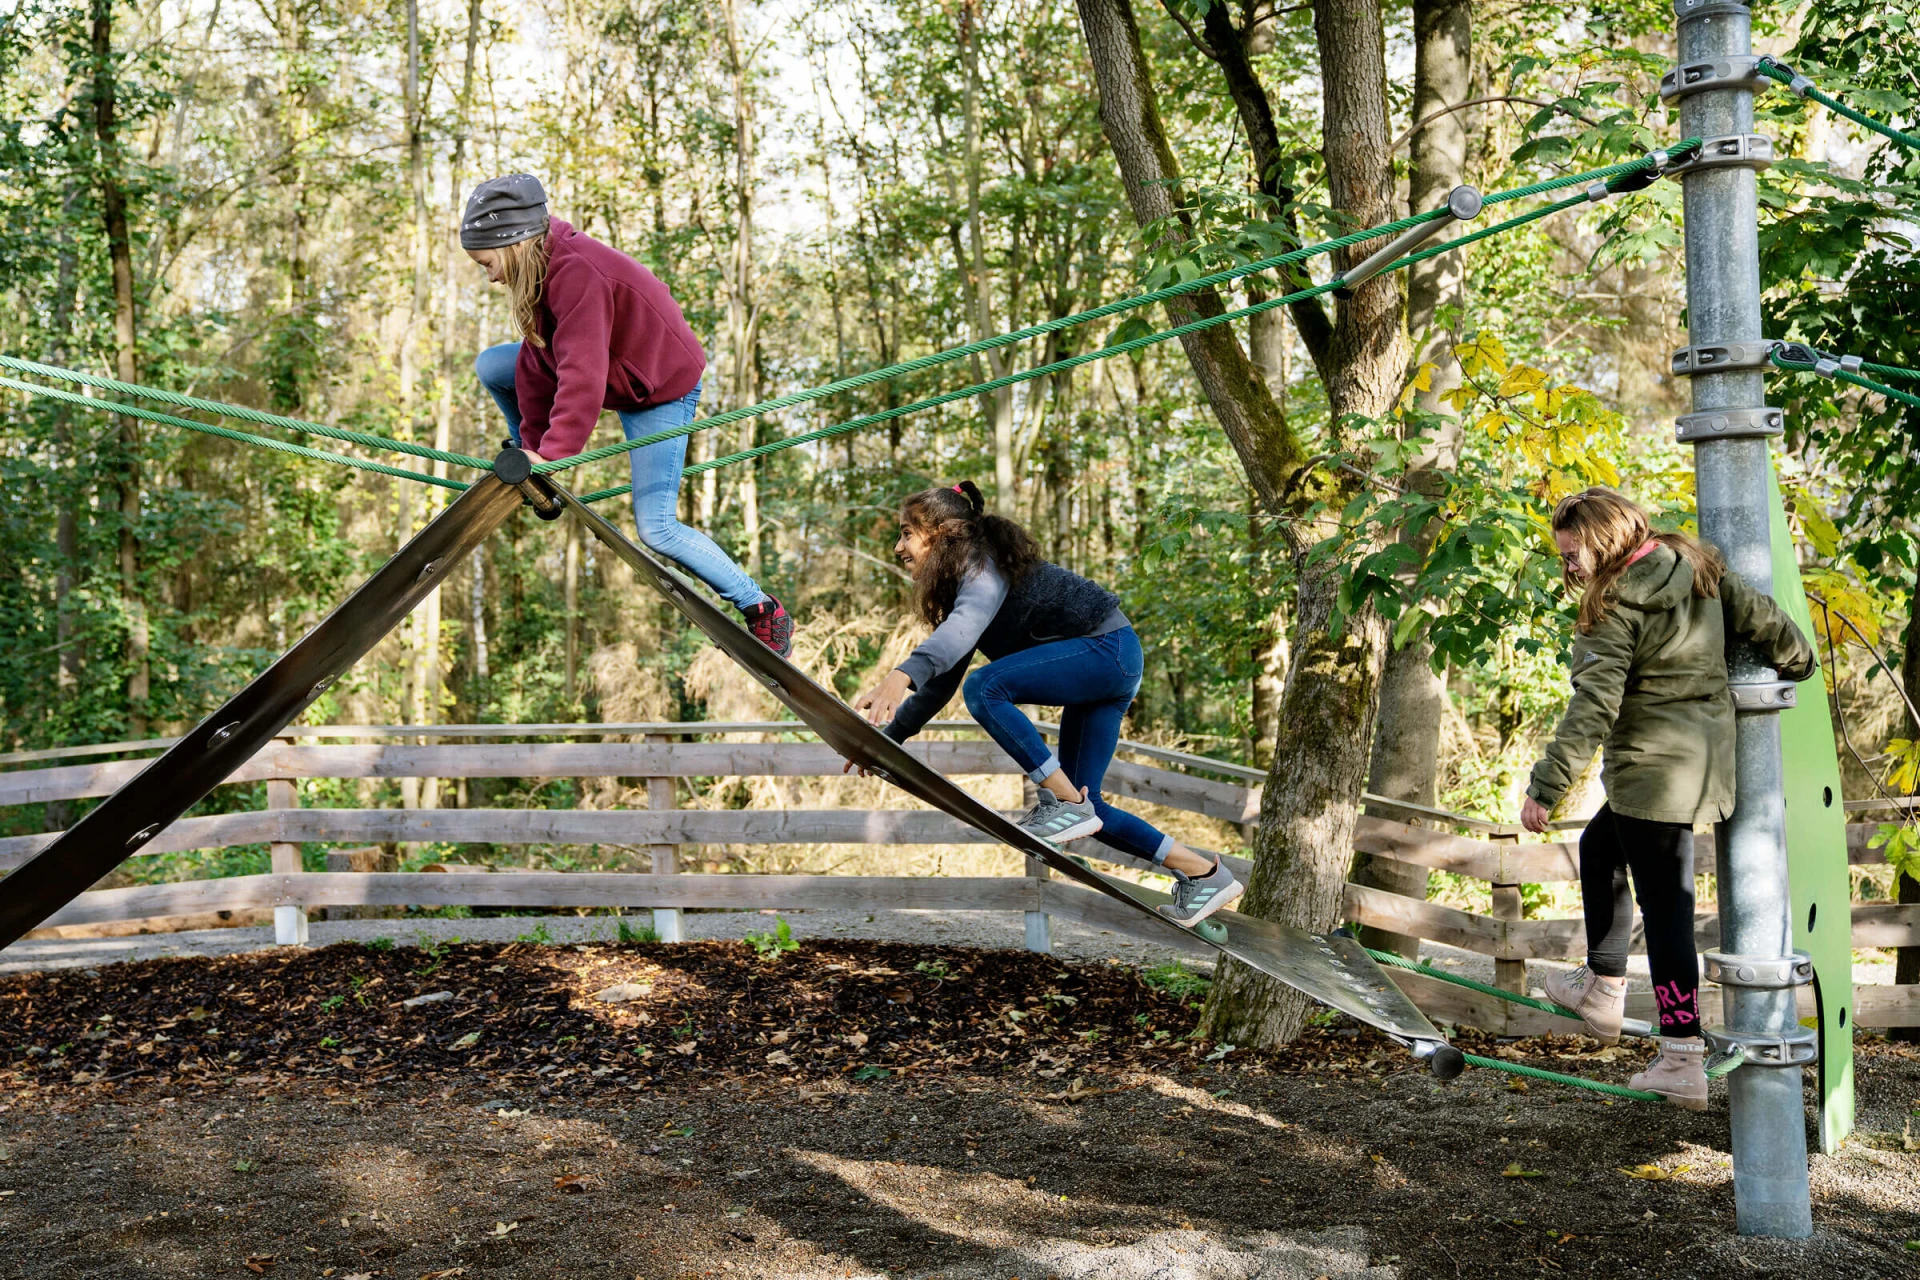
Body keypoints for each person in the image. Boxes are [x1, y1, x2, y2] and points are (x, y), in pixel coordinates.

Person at [1520, 487, 1814, 1109]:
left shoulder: (1614, 608)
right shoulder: (1696, 568)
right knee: (1600, 848)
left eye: (1574, 554)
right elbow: (1762, 617)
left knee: (1667, 910)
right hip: (1704, 766)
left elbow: (1592, 707)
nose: (1569, 567)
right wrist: (1799, 658)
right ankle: (1602, 984)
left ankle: (1681, 1054)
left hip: (1652, 772)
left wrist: (1546, 787)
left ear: (1605, 541)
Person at [848, 481, 1243, 929]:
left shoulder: (981, 566)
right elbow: (942, 681)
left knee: (986, 688)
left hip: (1105, 650)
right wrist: (889, 739)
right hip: (1110, 661)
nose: (898, 546)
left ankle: (1065, 802)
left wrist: (900, 675)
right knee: (1087, 807)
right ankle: (1204, 874)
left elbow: (962, 631)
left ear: (943, 532)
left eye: (906, 533)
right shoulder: (963, 580)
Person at [461, 173, 792, 657]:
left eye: (488, 263)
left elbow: (582, 376)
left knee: (656, 527)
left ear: (512, 245)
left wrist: (553, 454)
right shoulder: (538, 270)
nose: (489, 276)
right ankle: (532, 464)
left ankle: (762, 607)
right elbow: (537, 364)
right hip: (612, 370)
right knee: (493, 365)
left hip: (658, 387)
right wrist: (533, 450)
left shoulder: (576, 274)